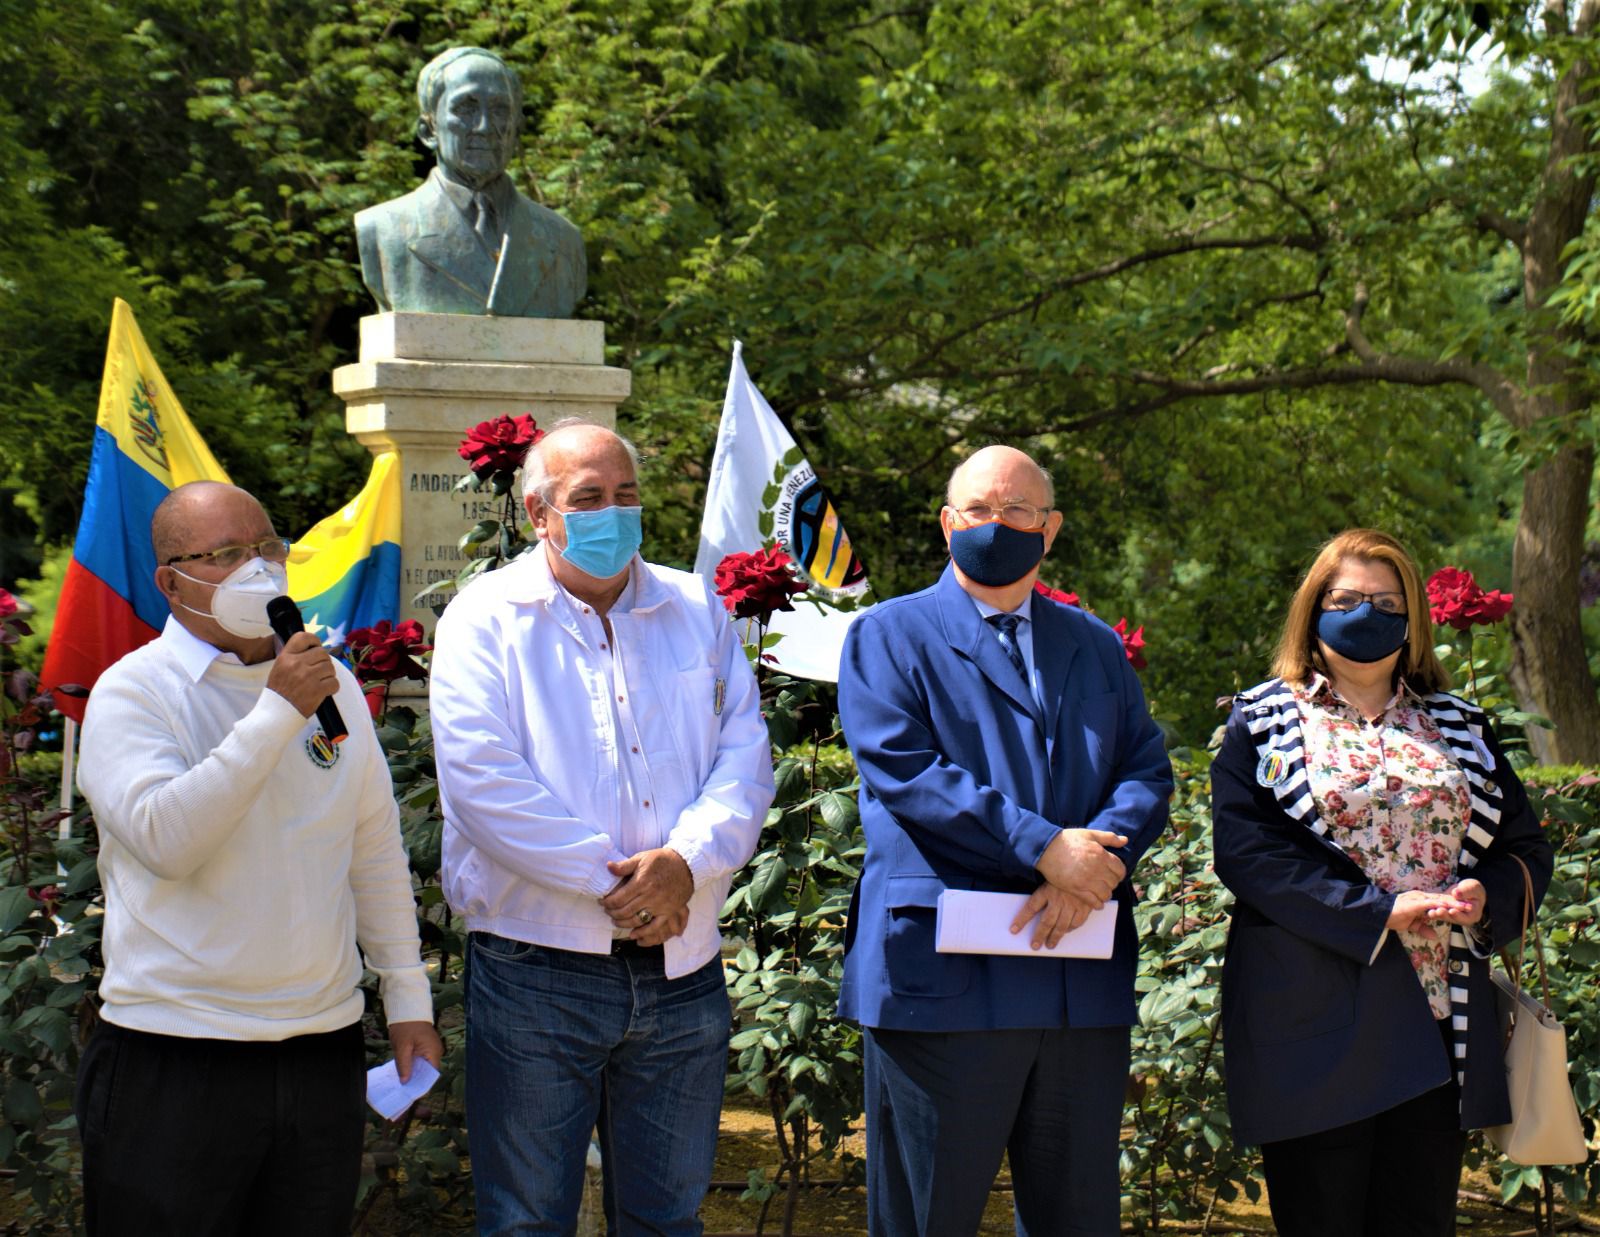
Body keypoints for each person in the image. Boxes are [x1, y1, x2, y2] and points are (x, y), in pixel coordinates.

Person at [428, 420, 774, 1234]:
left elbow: (744, 756)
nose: (613, 513)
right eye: (589, 499)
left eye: (626, 495)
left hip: (683, 969)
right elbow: (482, 782)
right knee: (525, 1221)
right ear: (539, 513)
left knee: (667, 1218)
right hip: (536, 968)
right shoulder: (486, 616)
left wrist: (685, 864)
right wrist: (618, 885)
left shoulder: (694, 607)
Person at [74, 481, 441, 1236]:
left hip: (318, 1053)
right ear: (172, 582)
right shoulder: (133, 693)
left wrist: (406, 997)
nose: (257, 570)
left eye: (266, 545)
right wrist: (276, 713)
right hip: (175, 1054)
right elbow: (167, 840)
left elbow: (369, 843)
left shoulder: (329, 683)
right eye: (226, 555)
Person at [836, 445, 1172, 1237]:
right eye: (979, 510)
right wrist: (1045, 847)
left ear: (1049, 529)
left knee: (1078, 1219)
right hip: (941, 983)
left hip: (1074, 982)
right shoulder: (887, 635)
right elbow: (906, 771)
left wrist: (1090, 866)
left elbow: (1145, 769)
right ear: (947, 523)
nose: (998, 524)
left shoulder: (1092, 644)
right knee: (928, 1221)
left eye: (1018, 510)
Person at [1210, 528, 1554, 1236]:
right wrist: (1377, 911)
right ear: (1314, 608)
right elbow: (1249, 855)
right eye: (1345, 598)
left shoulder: (1461, 725)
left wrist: (1489, 894)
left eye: (1385, 600)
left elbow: (1524, 847)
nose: (1365, 611)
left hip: (1437, 1018)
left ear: (1413, 618)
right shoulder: (1262, 720)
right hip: (1312, 1017)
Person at [355, 45, 587, 318]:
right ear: (428, 130)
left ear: (516, 129)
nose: (485, 127)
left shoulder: (563, 240)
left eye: (501, 111)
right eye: (466, 108)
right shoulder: (382, 230)